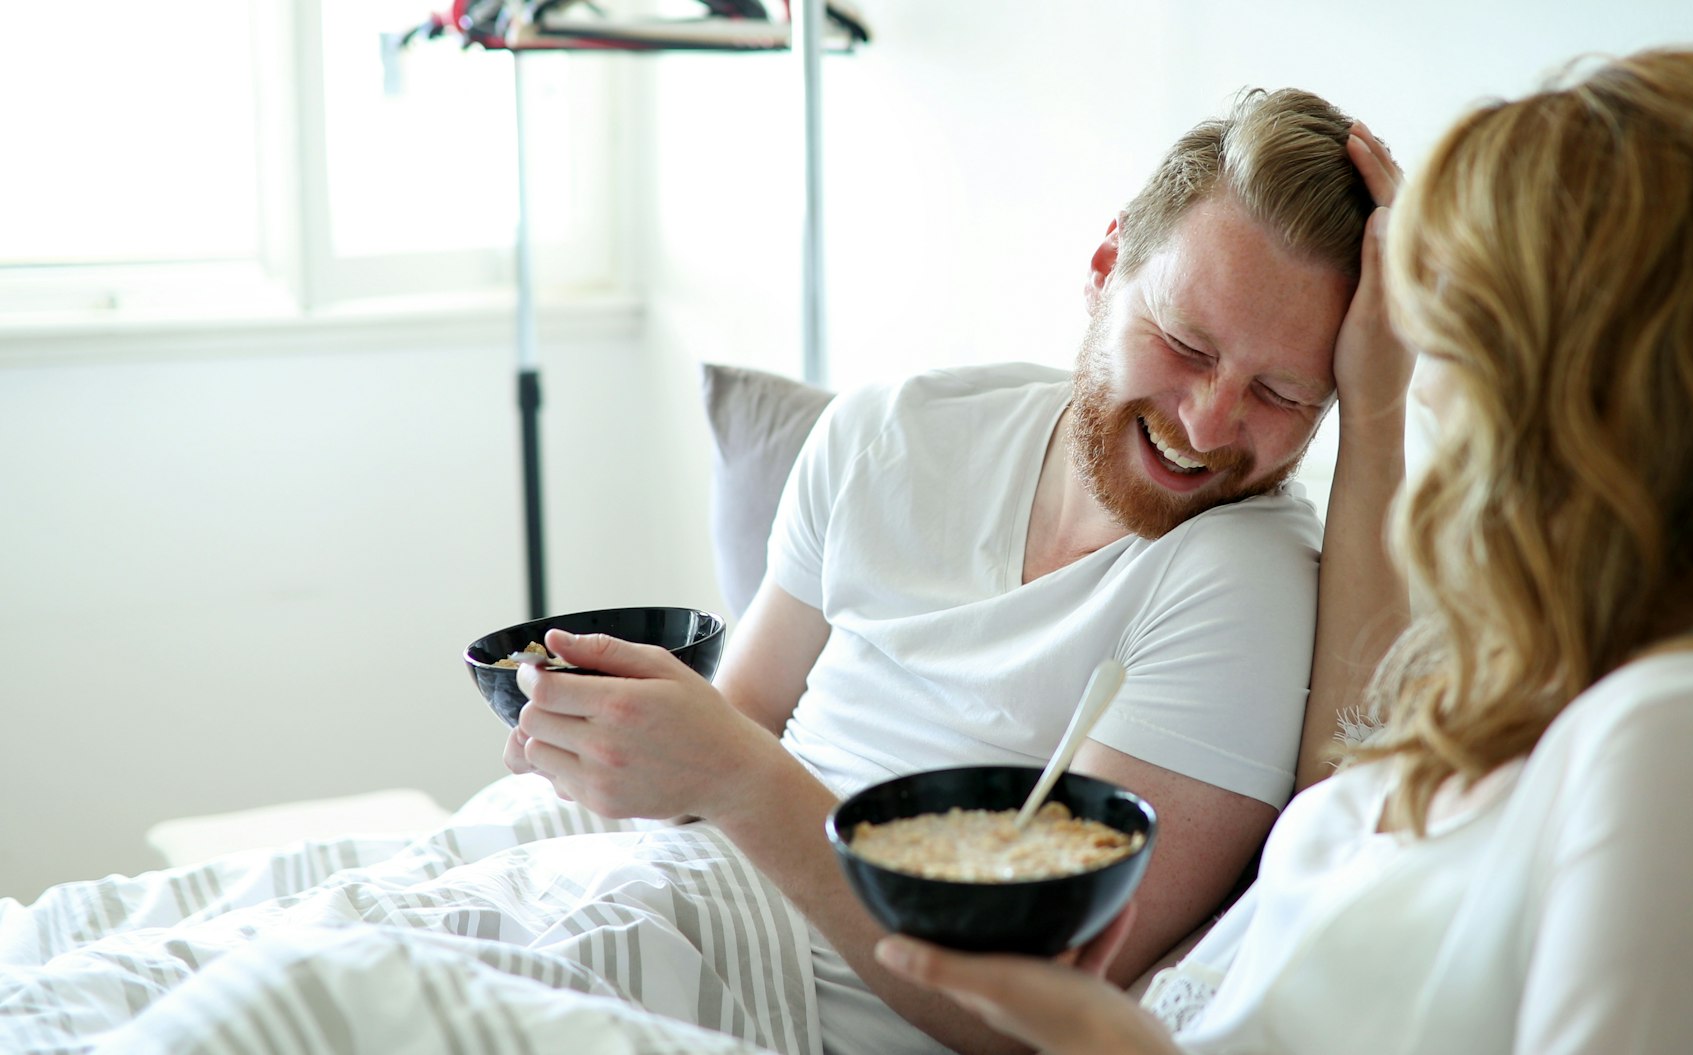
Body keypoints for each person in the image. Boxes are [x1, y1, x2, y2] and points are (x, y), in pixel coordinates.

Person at [0, 88, 1407, 1055]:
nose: (1216, 422)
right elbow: (737, 718)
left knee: (297, 991)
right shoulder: (898, 432)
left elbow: (1033, 1011)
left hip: (782, 972)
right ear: (1105, 268)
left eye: (1285, 393)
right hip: (633, 861)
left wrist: (730, 770)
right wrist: (615, 744)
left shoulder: (1244, 580)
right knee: (133, 937)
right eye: (1185, 343)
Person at [870, 47, 1693, 1054]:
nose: (1406, 343)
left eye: (1440, 306)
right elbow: (1342, 777)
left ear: (1568, 375)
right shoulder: (1551, 682)